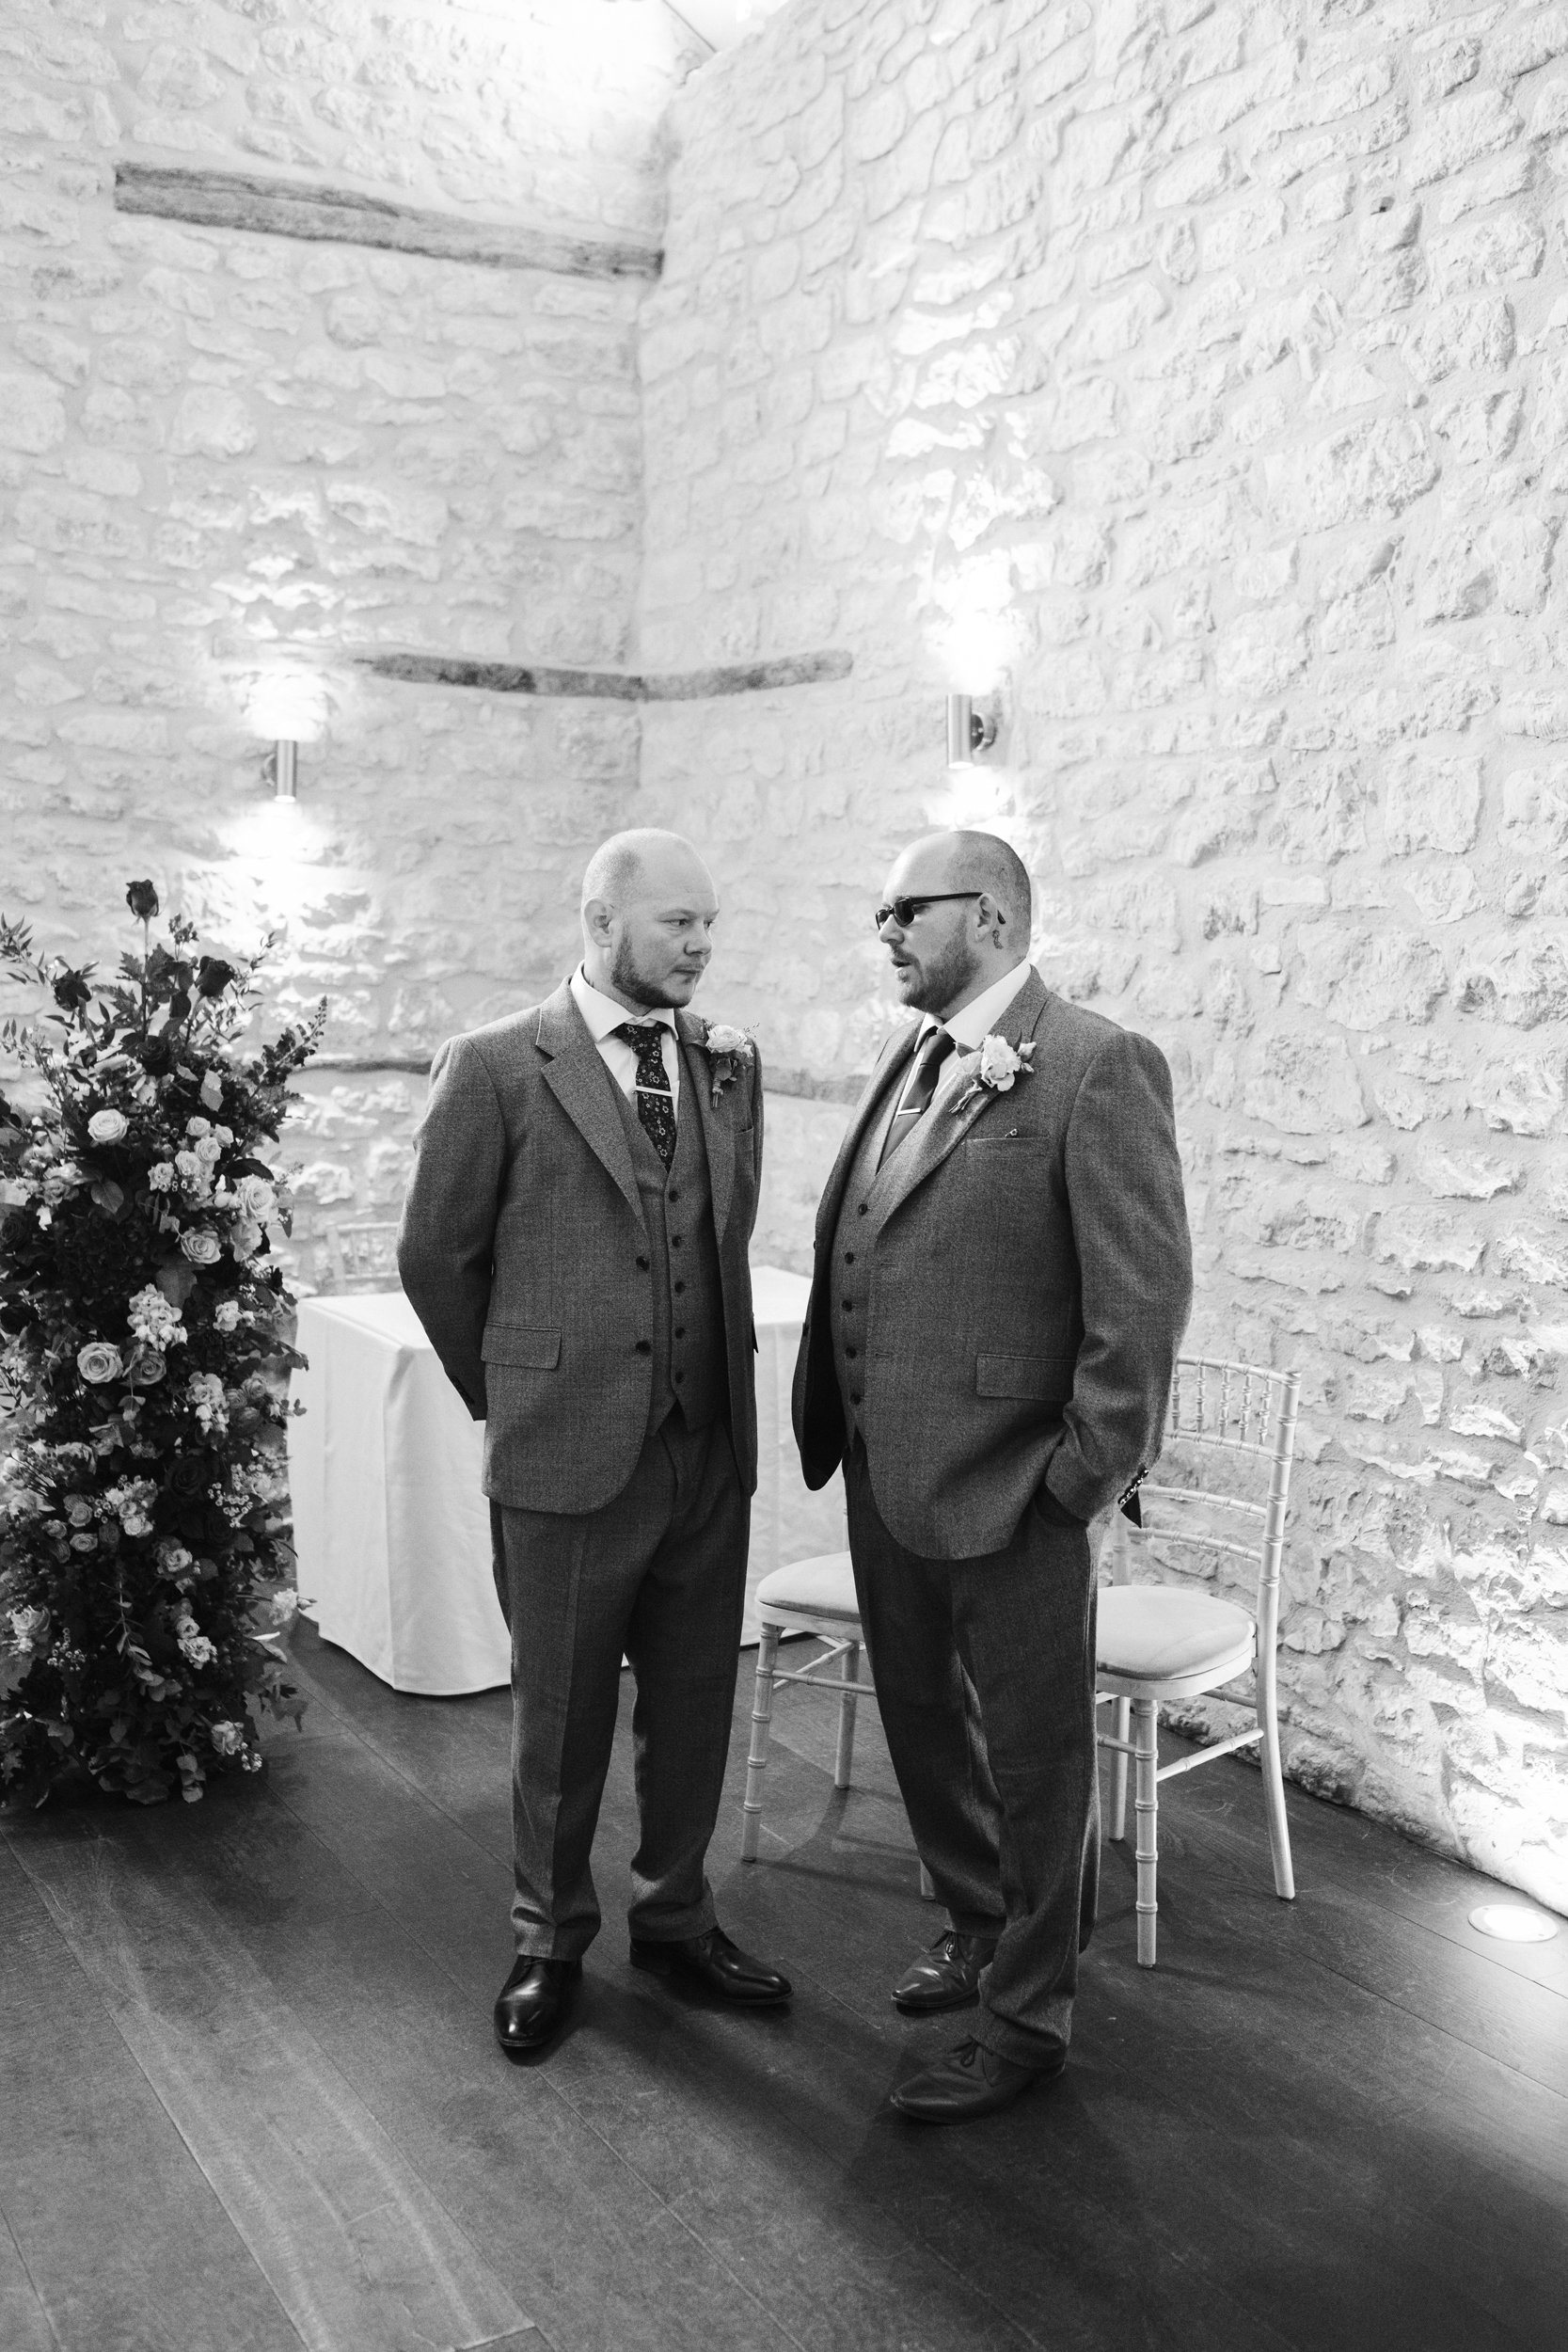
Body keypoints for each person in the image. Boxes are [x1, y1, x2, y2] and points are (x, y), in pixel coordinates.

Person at [793, 829, 1192, 2122]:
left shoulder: (1096, 1066)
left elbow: (1137, 1306)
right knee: (924, 1725)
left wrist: (1073, 1483)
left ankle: (1027, 2020)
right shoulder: (910, 1058)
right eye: (883, 909)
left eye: (908, 908)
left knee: (1033, 1759)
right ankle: (975, 1921)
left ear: (998, 917)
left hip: (1015, 1491)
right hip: (885, 1473)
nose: (888, 929)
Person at [400, 828, 790, 2057]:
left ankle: (676, 1919)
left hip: (703, 1444)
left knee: (692, 1701)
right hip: (564, 1449)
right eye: (679, 922)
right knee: (558, 1715)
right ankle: (549, 1937)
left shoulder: (728, 1067)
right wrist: (513, 1392)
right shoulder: (498, 1067)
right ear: (602, 918)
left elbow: (717, 1244)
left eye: (711, 924)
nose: (702, 944)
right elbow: (437, 1258)